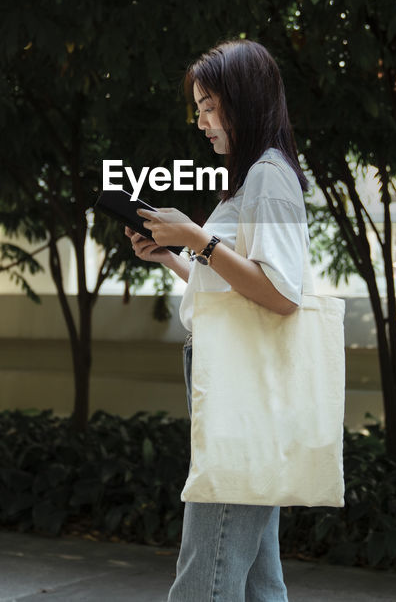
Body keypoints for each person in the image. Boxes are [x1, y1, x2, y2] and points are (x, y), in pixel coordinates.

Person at [126, 38, 309, 602]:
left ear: (244, 100)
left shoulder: (268, 179)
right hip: (238, 383)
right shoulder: (255, 176)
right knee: (257, 578)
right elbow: (237, 290)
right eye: (199, 108)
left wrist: (198, 238)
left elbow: (282, 293)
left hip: (242, 392)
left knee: (207, 571)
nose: (201, 121)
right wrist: (177, 256)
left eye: (209, 106)